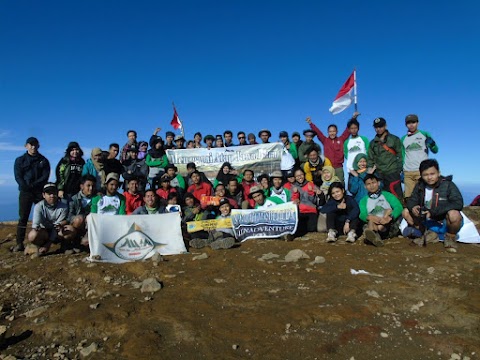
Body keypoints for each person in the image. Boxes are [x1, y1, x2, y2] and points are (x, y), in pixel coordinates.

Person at [402, 159, 463, 252]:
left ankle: (450, 237)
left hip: (444, 221)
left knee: (454, 214)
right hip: (427, 221)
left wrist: (433, 212)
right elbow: (411, 200)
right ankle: (426, 234)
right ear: (421, 175)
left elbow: (458, 203)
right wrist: (413, 207)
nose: (429, 177)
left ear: (438, 173)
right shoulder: (420, 185)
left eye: (432, 174)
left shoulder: (448, 185)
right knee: (406, 212)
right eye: (425, 175)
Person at [13, 137, 51, 252]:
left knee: (44, 216)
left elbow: (45, 176)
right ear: (26, 146)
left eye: (35, 145)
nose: (33, 147)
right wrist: (25, 186)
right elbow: (18, 176)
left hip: (39, 192)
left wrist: (33, 185)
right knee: (23, 217)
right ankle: (19, 243)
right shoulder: (20, 160)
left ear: (38, 146)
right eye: (31, 144)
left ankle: (44, 241)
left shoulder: (43, 160)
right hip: (25, 192)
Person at [359, 174, 403, 247]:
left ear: (378, 183)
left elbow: (398, 207)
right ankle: (375, 237)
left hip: (388, 225)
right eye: (368, 184)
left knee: (387, 212)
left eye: (373, 183)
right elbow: (362, 214)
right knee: (370, 221)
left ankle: (373, 237)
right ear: (365, 186)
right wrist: (369, 217)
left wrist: (390, 217)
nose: (372, 186)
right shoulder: (363, 200)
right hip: (372, 224)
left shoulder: (387, 195)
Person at [401, 114, 439, 199]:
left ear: (417, 123)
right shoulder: (403, 138)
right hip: (408, 172)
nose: (411, 125)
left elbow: (435, 150)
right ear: (406, 125)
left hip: (422, 171)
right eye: (408, 123)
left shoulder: (424, 134)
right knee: (409, 197)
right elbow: (403, 155)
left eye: (413, 122)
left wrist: (432, 144)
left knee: (423, 195)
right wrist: (402, 169)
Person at [306, 115, 352, 182]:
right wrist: (310, 123)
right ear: (328, 132)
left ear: (337, 132)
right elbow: (318, 132)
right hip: (328, 167)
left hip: (338, 167)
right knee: (328, 185)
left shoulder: (341, 139)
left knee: (340, 183)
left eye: (333, 131)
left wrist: (353, 118)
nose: (332, 133)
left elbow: (347, 131)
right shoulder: (325, 140)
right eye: (330, 131)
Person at [27, 183, 69, 255]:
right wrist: (36, 228)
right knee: (32, 235)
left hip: (57, 232)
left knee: (68, 231)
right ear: (43, 195)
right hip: (44, 231)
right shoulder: (38, 206)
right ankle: (39, 245)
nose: (52, 196)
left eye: (54, 193)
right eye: (49, 193)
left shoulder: (64, 207)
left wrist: (49, 244)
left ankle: (64, 246)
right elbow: (35, 225)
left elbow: (56, 227)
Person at [367, 117, 403, 200]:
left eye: (380, 126)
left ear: (385, 126)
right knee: (383, 198)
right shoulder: (372, 143)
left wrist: (398, 170)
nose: (378, 129)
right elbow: (370, 158)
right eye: (376, 127)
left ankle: (399, 212)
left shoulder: (394, 139)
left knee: (396, 197)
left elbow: (400, 155)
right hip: (379, 175)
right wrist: (370, 171)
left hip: (392, 173)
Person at [65, 174, 96, 249]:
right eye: (88, 186)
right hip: (78, 225)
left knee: (86, 243)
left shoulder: (97, 199)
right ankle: (74, 241)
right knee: (78, 220)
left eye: (92, 186)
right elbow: (69, 216)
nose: (91, 188)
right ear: (82, 186)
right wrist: (80, 218)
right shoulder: (74, 199)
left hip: (90, 227)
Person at [291, 168, 324, 235]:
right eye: (297, 176)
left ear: (304, 175)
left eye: (301, 175)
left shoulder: (311, 184)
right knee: (299, 229)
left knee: (311, 229)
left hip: (311, 211)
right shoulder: (293, 187)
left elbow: (315, 201)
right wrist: (295, 196)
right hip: (299, 212)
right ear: (295, 177)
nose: (300, 177)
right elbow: (291, 202)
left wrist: (313, 193)